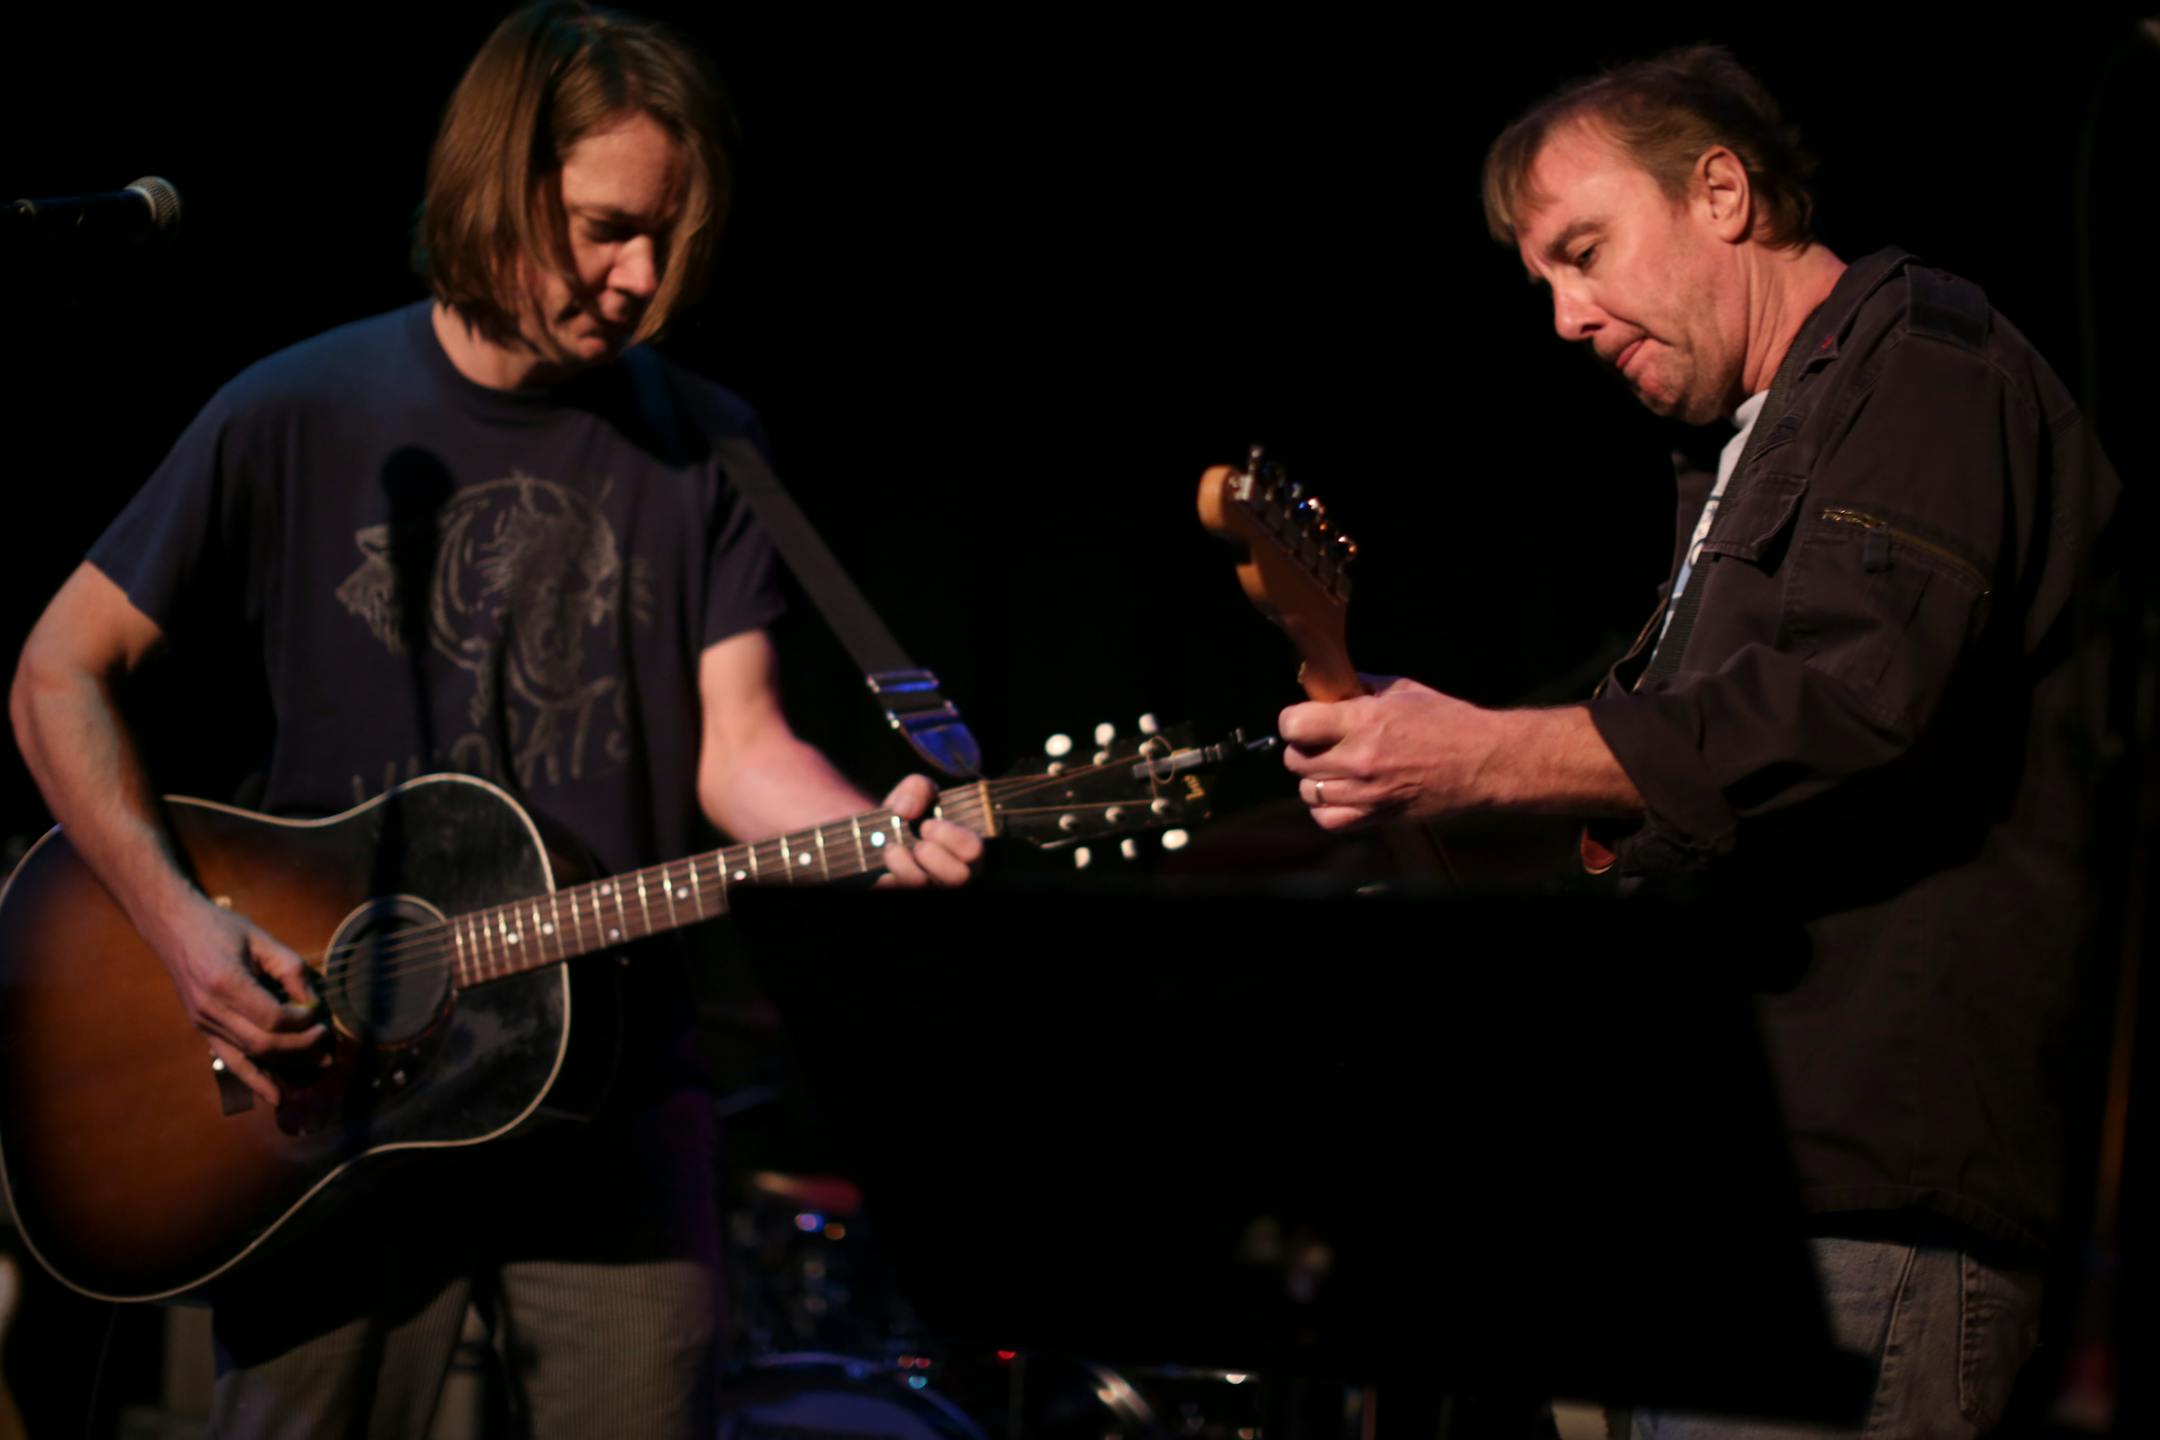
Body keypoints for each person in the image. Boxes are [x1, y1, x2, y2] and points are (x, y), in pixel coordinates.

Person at [8, 3, 981, 1435]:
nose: (639, 278)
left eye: (665, 239)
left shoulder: (705, 443)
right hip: (322, 1092)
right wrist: (177, 926)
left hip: (615, 1095)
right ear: (497, 185)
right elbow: (54, 672)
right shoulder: (298, 406)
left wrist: (864, 834)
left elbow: (740, 745)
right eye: (604, 228)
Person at [1277, 45, 2119, 1437]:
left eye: (1585, 250)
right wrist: (1447, 798)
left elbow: (1851, 712)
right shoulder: (1749, 451)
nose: (1562, 316)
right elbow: (1701, 800)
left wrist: (1484, 757)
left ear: (1721, 191)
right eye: (1542, 278)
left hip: (1865, 1216)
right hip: (1729, 1205)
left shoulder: (1919, 368)